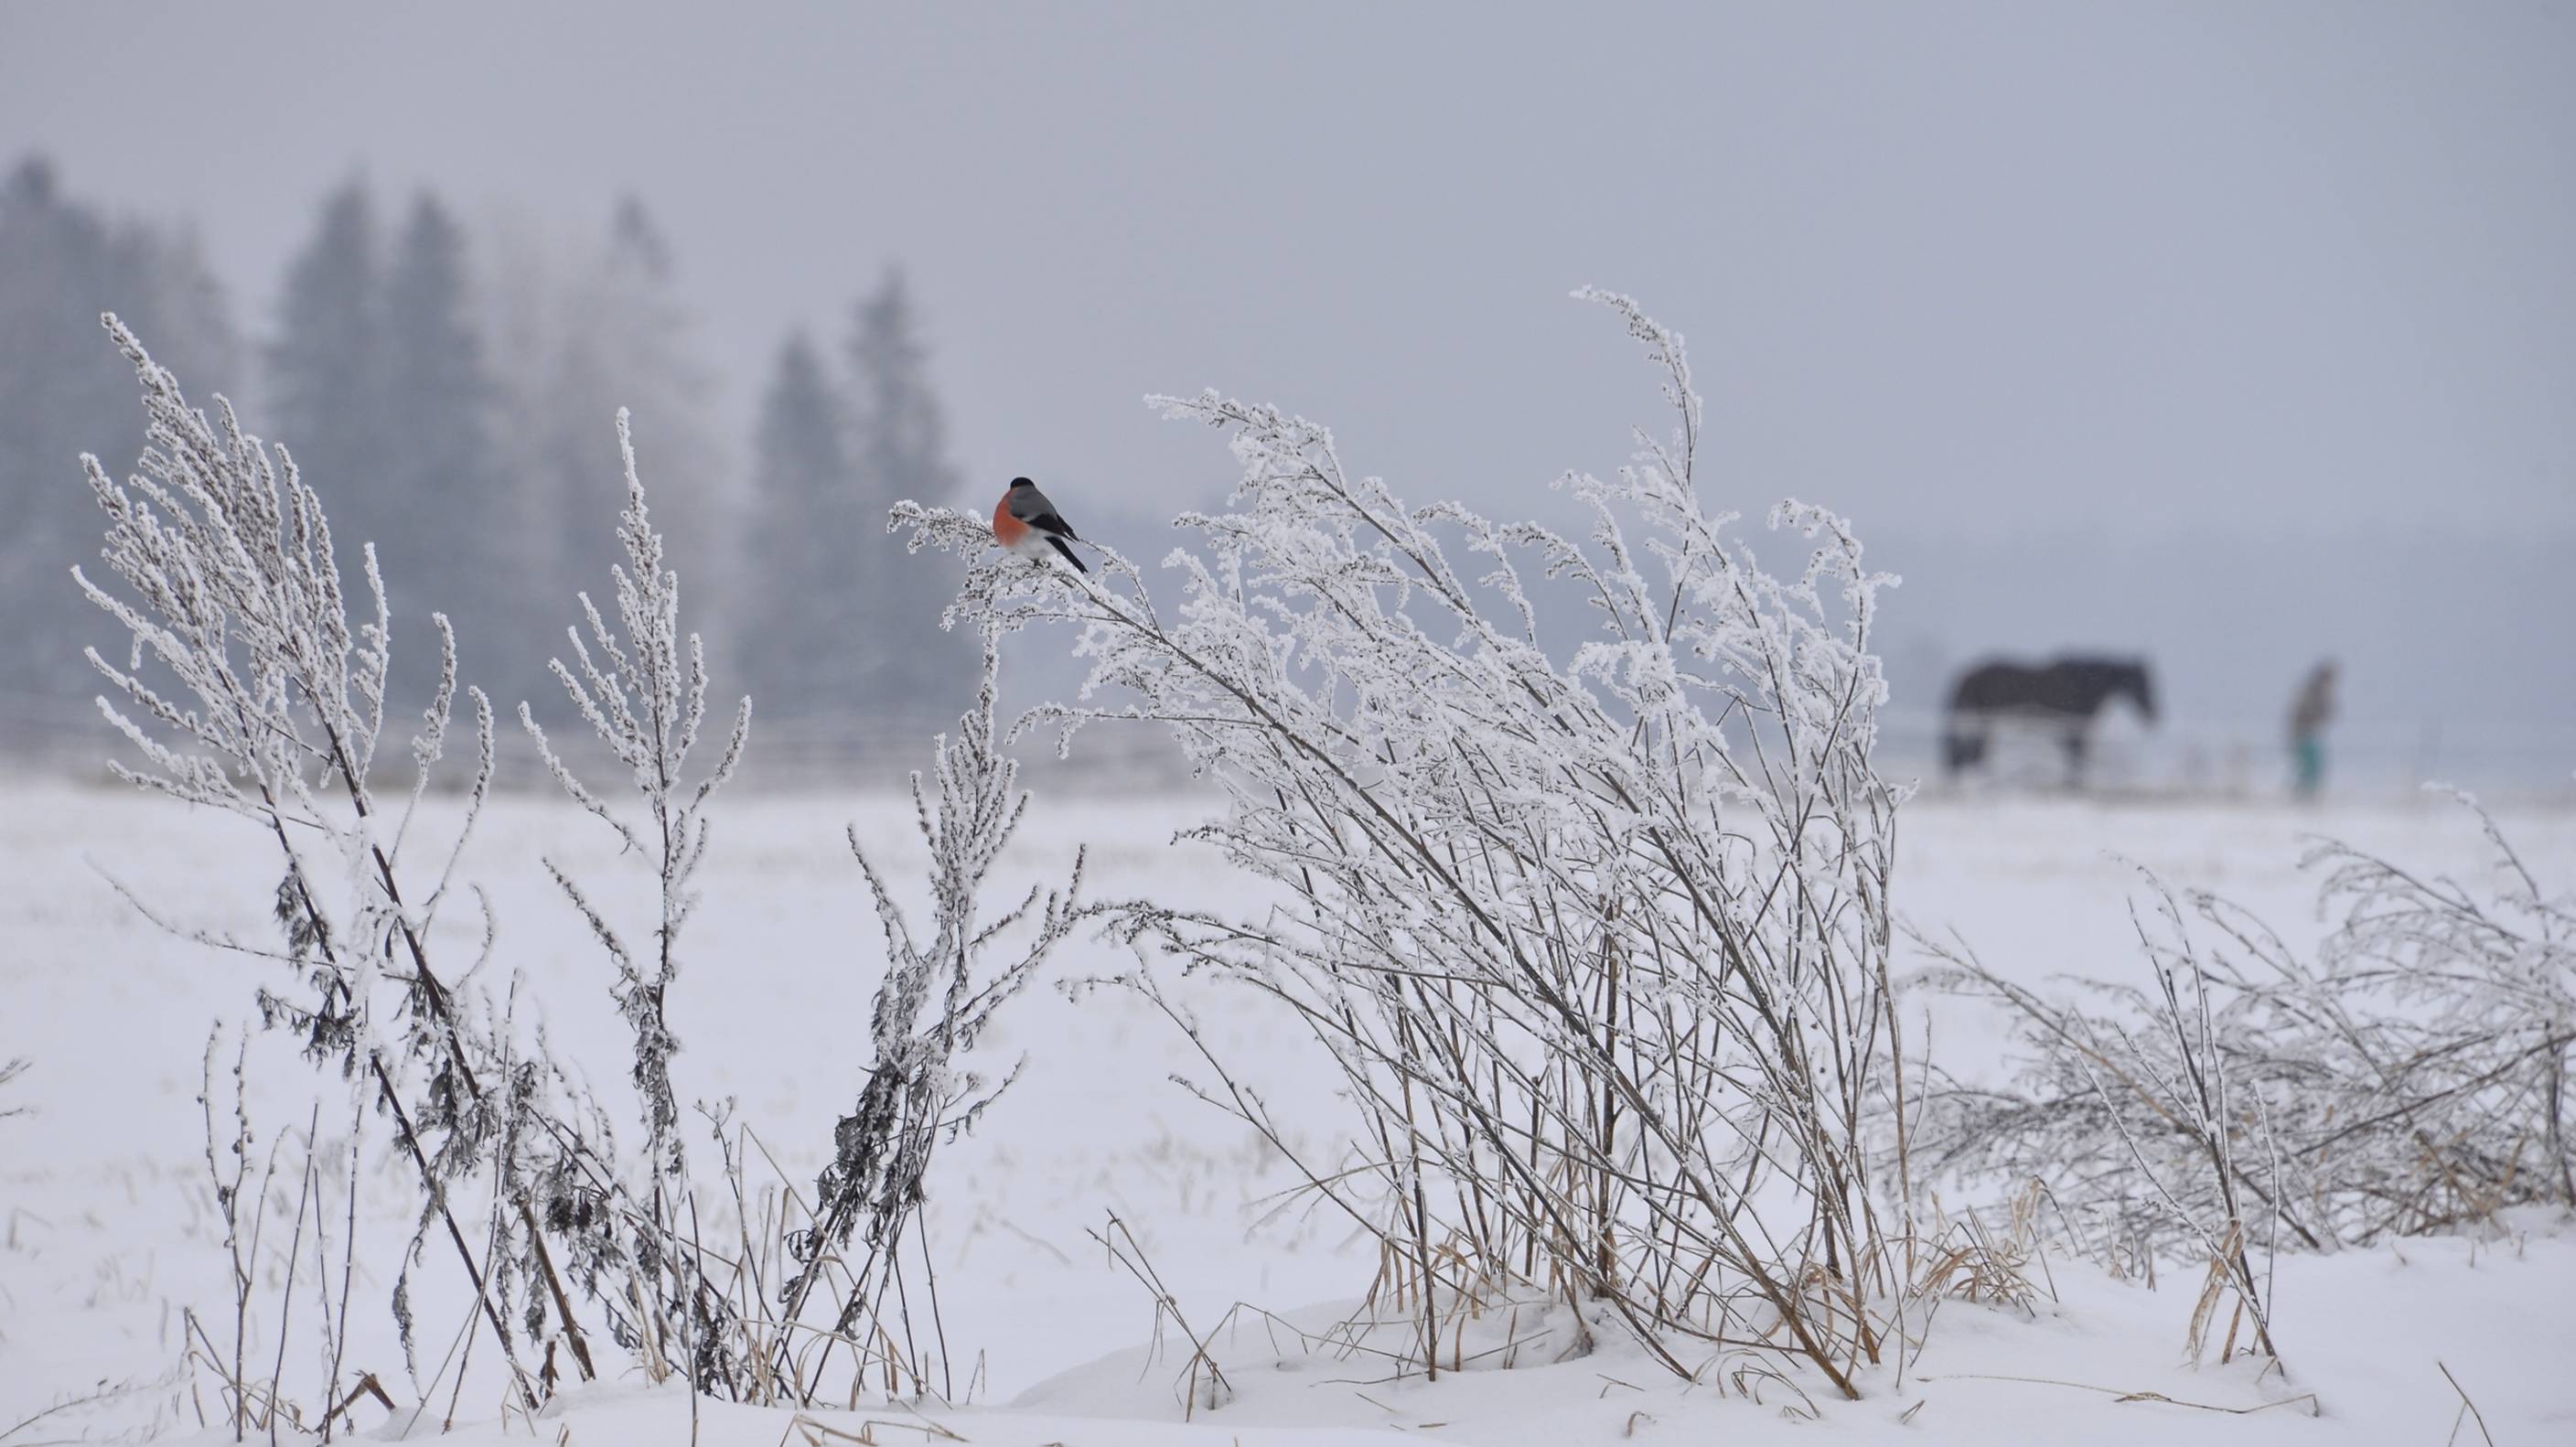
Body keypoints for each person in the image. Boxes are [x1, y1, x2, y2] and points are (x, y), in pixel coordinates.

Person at [2288, 659, 2338, 799]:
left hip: (2308, 733)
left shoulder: (2319, 692)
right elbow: (2307, 712)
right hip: (2303, 733)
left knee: (2310, 767)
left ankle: (2305, 793)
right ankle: (2302, 794)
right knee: (2308, 767)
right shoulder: (2312, 691)